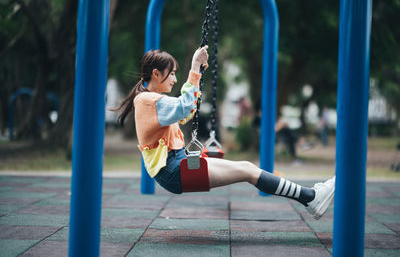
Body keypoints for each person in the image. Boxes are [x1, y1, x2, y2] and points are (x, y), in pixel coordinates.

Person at [113, 46, 335, 220]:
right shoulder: (147, 100)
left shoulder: (152, 100)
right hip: (173, 170)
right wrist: (194, 67)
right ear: (155, 73)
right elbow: (184, 106)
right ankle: (310, 198)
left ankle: (310, 198)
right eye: (171, 74)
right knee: (248, 171)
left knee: (248, 167)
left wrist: (197, 75)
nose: (173, 79)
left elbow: (186, 112)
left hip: (177, 164)